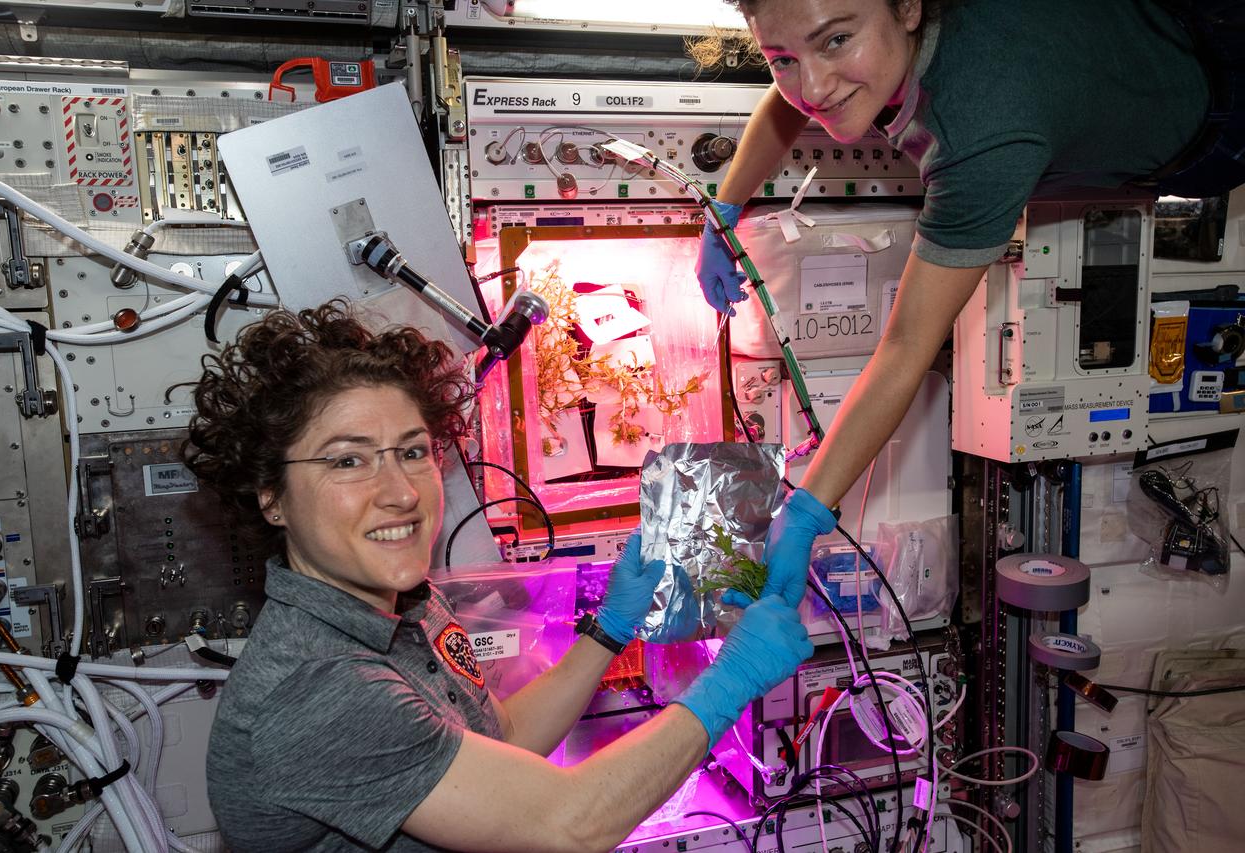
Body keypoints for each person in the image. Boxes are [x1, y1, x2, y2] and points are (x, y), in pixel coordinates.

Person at [182, 300, 814, 853]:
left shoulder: (405, 604)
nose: (400, 491)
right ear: (272, 496)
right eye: (348, 460)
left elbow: (501, 737)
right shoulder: (321, 691)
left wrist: (610, 630)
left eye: (411, 451)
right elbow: (572, 823)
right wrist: (729, 682)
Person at [695, 0, 1245, 588]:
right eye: (781, 58)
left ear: (908, 8)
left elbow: (905, 348)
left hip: (1220, 106)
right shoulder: (878, 39)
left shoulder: (978, 133)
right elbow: (797, 88)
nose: (812, 85)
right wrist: (724, 207)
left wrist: (806, 511)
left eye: (835, 42)